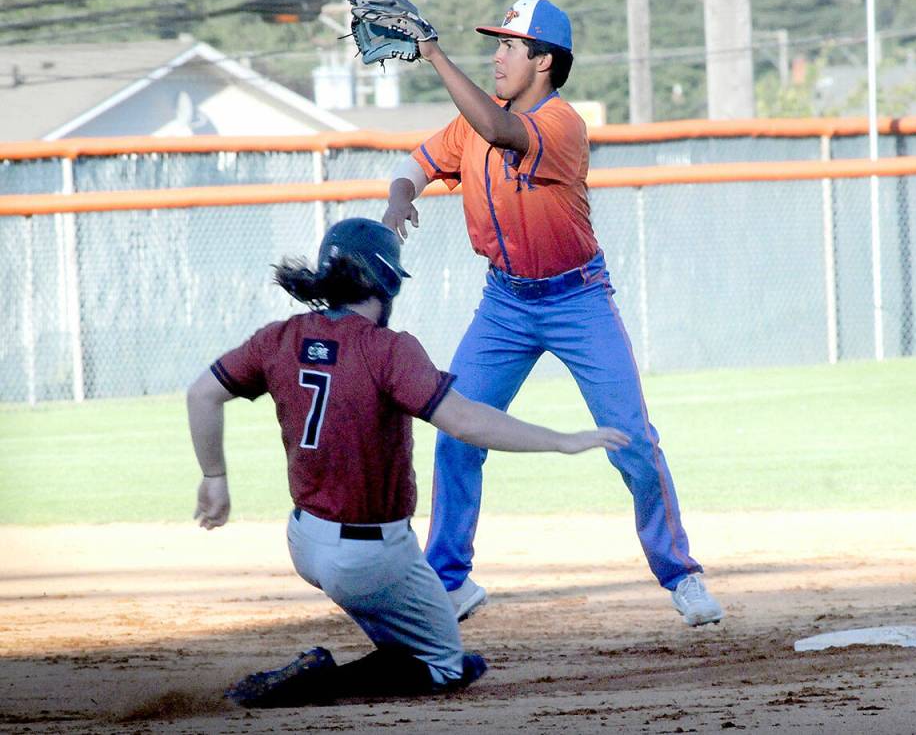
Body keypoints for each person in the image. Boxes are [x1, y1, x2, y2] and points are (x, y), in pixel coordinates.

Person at [187, 217, 629, 708]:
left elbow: (202, 393)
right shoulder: (387, 349)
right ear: (387, 282)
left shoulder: (281, 338)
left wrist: (214, 478)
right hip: (370, 554)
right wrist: (561, 440)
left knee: (407, 621)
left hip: (304, 541)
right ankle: (316, 681)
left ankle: (406, 630)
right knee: (447, 666)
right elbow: (464, 421)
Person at [381, 0, 724, 628]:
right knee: (458, 429)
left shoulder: (559, 123)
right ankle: (449, 582)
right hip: (505, 304)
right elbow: (417, 163)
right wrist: (400, 197)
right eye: (497, 44)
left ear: (544, 60)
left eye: (509, 46)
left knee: (631, 440)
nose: (497, 55)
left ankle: (680, 573)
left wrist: (432, 53)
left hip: (577, 300)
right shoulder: (474, 121)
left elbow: (501, 134)